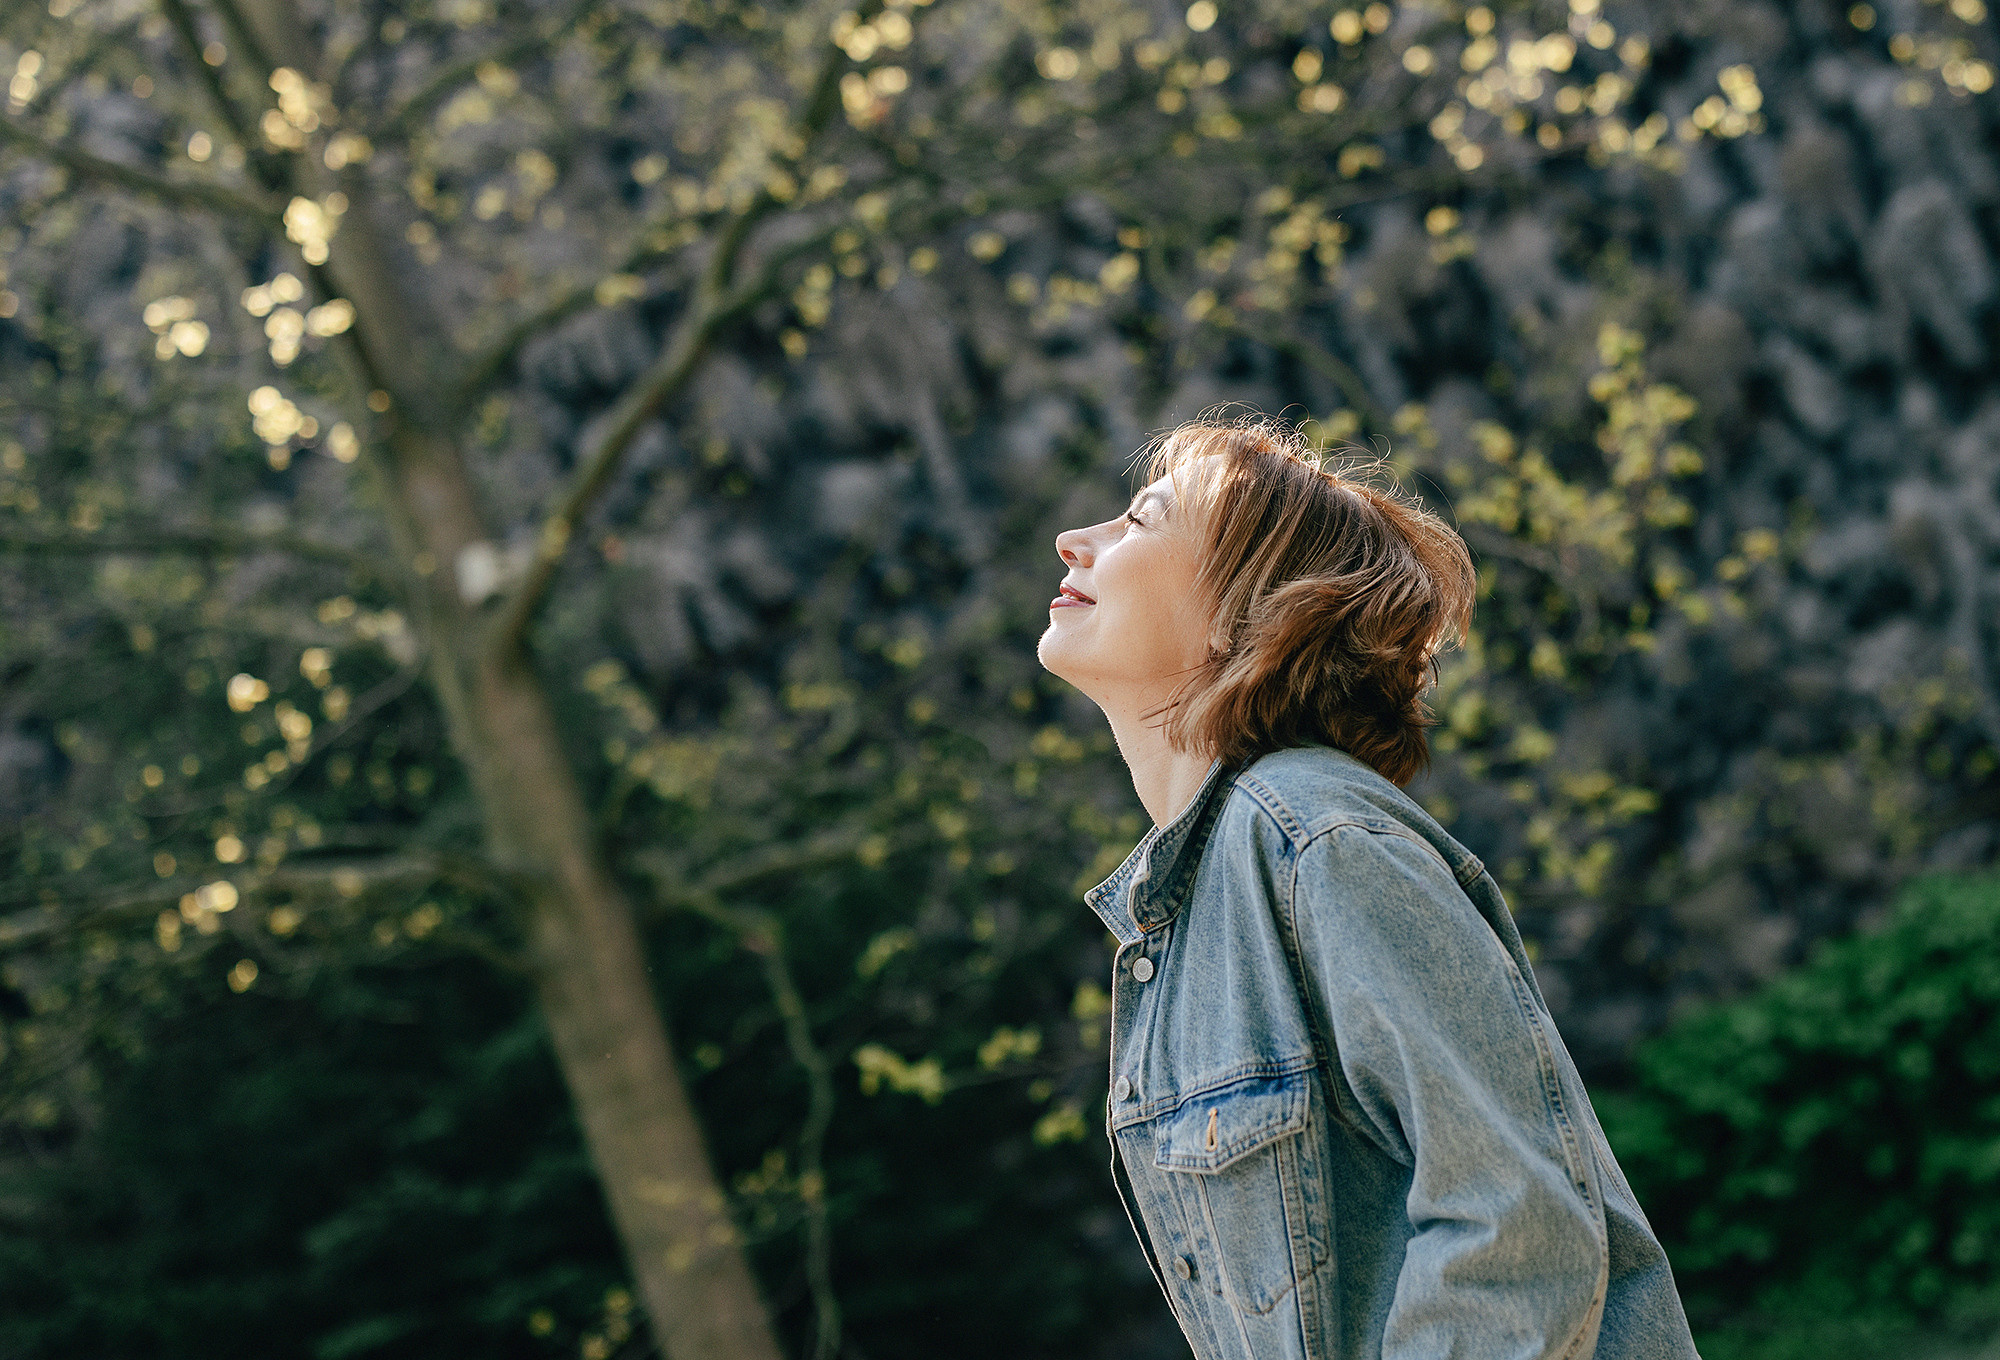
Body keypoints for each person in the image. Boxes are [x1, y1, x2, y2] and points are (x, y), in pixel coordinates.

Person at [1037, 416, 1698, 1360]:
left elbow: (1517, 1225)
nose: (1077, 540)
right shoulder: (1195, 914)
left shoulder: (1318, 840)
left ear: (1245, 610)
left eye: (1142, 520)